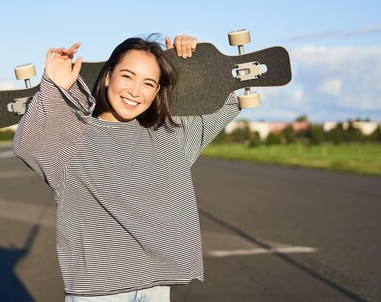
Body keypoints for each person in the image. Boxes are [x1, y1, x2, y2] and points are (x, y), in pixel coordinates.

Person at [13, 34, 240, 301]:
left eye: (148, 83)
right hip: (98, 291)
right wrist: (53, 87)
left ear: (157, 90)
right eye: (128, 76)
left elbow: (228, 100)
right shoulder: (74, 137)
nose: (135, 91)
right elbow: (27, 145)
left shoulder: (170, 135)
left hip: (155, 286)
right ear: (108, 76)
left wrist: (191, 67)